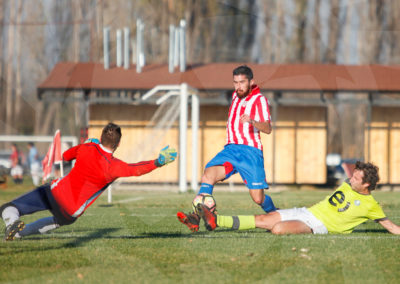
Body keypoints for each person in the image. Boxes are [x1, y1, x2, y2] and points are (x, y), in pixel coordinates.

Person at [0, 122, 177, 241]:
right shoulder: (114, 166)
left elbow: (66, 156)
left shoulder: (88, 147)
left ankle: (11, 222)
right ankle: (19, 233)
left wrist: (86, 143)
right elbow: (135, 169)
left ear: (100, 137)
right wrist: (158, 162)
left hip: (54, 193)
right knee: (57, 221)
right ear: (118, 144)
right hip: (71, 211)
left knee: (9, 207)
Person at [177, 65, 276, 232]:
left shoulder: (260, 100)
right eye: (235, 83)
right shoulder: (235, 96)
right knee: (208, 175)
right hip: (230, 150)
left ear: (252, 82)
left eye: (242, 82)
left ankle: (277, 215)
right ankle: (196, 217)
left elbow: (268, 128)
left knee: (258, 198)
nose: (238, 86)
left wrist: (252, 121)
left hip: (250, 152)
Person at [197, 161, 400, 235]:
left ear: (366, 185)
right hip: (306, 211)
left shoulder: (370, 205)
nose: (350, 178)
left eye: (356, 178)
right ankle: (216, 221)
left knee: (277, 229)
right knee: (262, 220)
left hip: (319, 225)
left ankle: (217, 220)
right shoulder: (348, 184)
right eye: (353, 175)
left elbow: (391, 227)